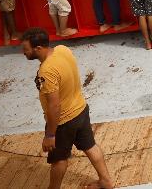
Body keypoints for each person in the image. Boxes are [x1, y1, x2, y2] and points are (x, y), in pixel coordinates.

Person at [21, 27, 113, 189]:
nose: (24, 53)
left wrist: (50, 134)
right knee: (90, 146)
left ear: (38, 48)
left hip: (63, 121)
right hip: (81, 109)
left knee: (58, 159)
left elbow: (54, 105)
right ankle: (106, 181)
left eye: (26, 49)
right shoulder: (62, 50)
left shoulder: (46, 71)